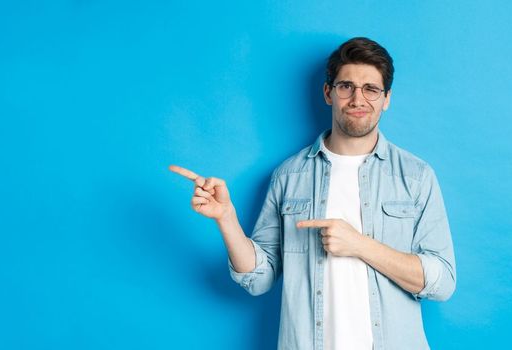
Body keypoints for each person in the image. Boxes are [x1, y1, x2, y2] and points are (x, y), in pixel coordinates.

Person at [169, 37, 456, 350]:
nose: (358, 99)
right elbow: (259, 278)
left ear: (386, 98)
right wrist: (226, 219)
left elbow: (442, 282)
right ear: (328, 93)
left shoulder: (416, 177)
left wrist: (359, 244)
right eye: (346, 86)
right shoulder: (289, 176)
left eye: (371, 89)